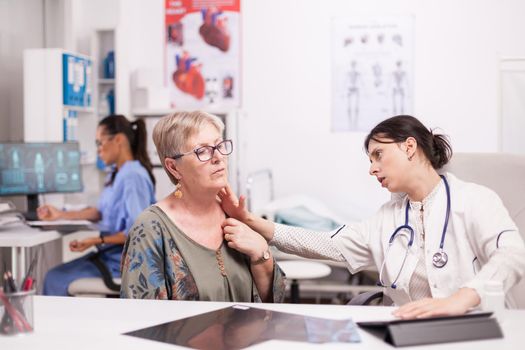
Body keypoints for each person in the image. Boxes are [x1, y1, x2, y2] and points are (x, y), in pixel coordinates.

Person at [219, 115, 525, 318]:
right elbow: (328, 244)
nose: (372, 168)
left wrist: (463, 298)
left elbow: (513, 254)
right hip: (409, 331)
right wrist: (251, 220)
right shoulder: (387, 219)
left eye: (378, 154)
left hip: (475, 327)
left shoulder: (473, 200)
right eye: (370, 159)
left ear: (409, 147)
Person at [120, 111, 285, 302]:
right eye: (203, 150)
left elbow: (272, 304)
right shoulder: (151, 229)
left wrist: (262, 256)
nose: (218, 157)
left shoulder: (232, 213)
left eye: (219, 145)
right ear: (173, 167)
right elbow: (143, 319)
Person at [39, 115, 156, 296]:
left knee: (54, 278)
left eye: (100, 143)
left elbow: (136, 234)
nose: (99, 150)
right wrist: (60, 214)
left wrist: (95, 241)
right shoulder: (116, 173)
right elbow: (100, 212)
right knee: (54, 275)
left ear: (118, 140)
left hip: (123, 262)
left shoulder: (133, 177)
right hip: (108, 255)